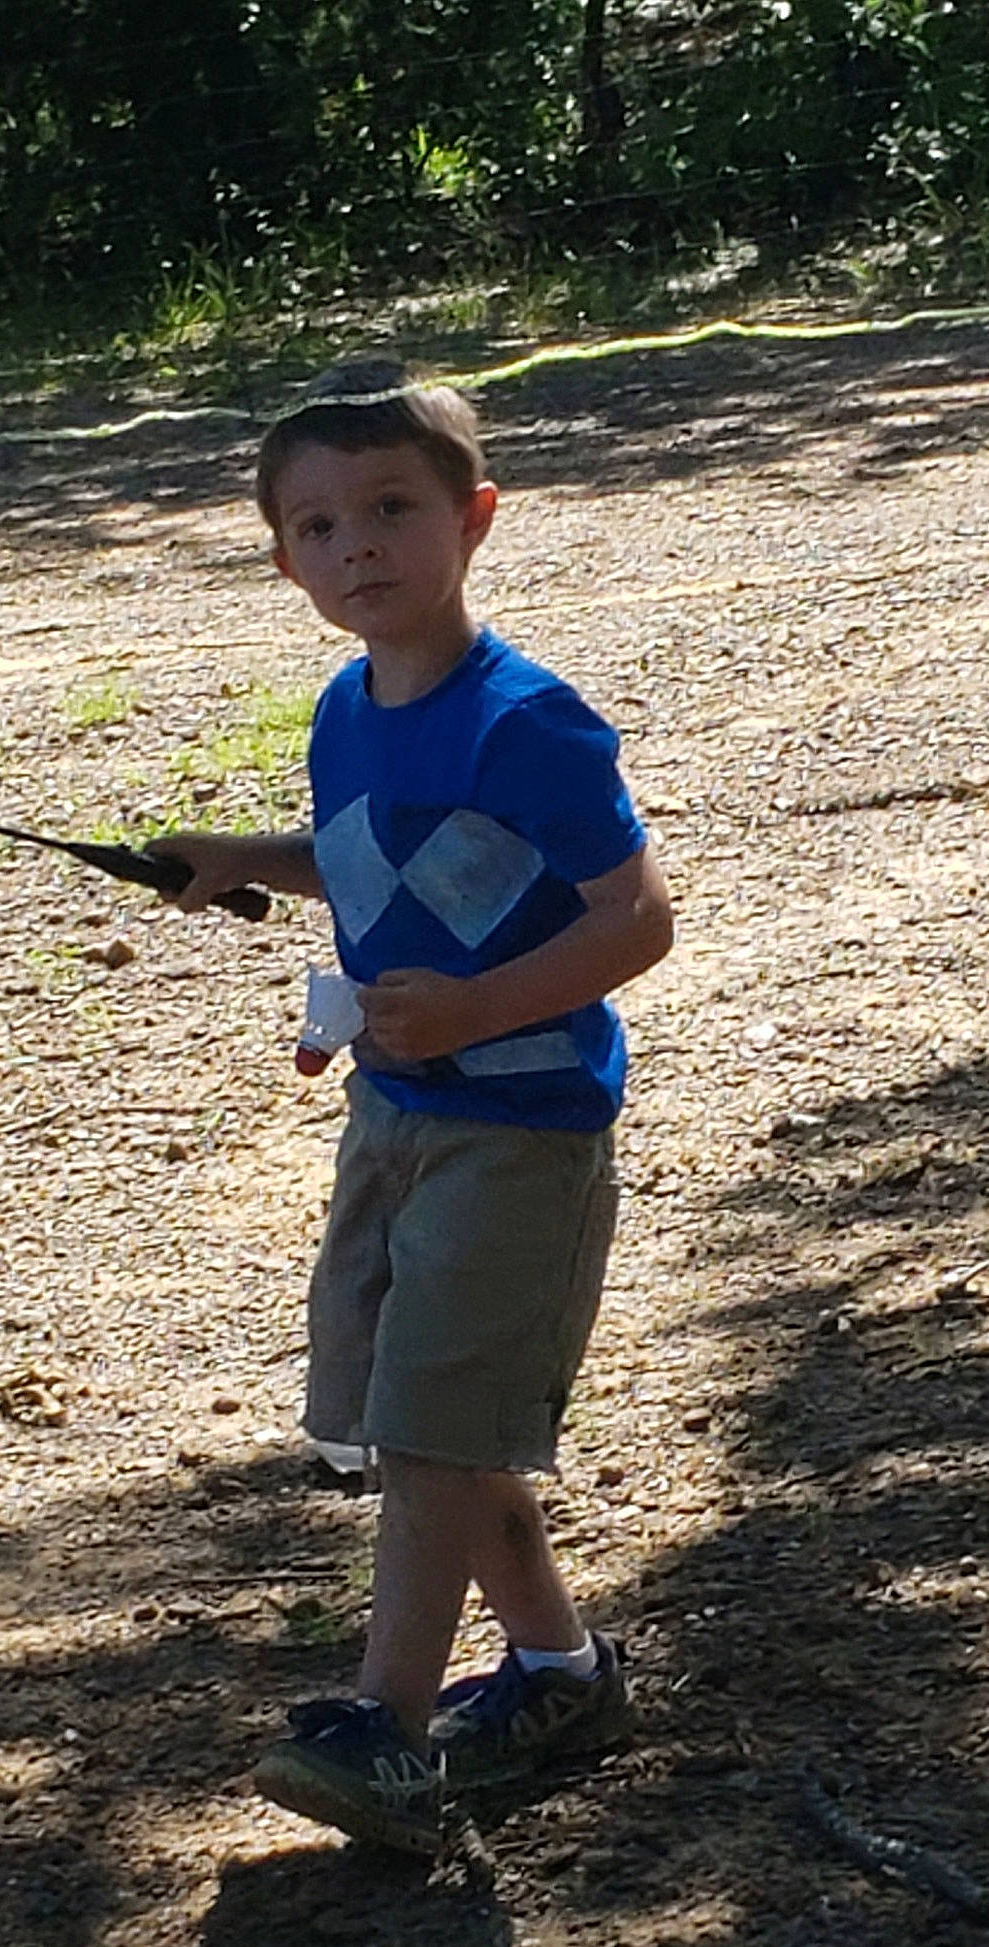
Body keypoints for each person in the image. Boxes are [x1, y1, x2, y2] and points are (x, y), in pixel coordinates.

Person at [151, 357, 674, 1856]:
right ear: (281, 557)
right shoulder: (348, 709)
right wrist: (254, 859)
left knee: (442, 1424)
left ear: (475, 519)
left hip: (522, 1132)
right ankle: (562, 1677)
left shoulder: (533, 726)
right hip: (394, 1119)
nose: (356, 546)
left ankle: (386, 1724)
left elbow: (635, 922)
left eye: (390, 508)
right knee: (429, 1416)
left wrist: (468, 1014)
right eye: (316, 527)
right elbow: (384, 860)